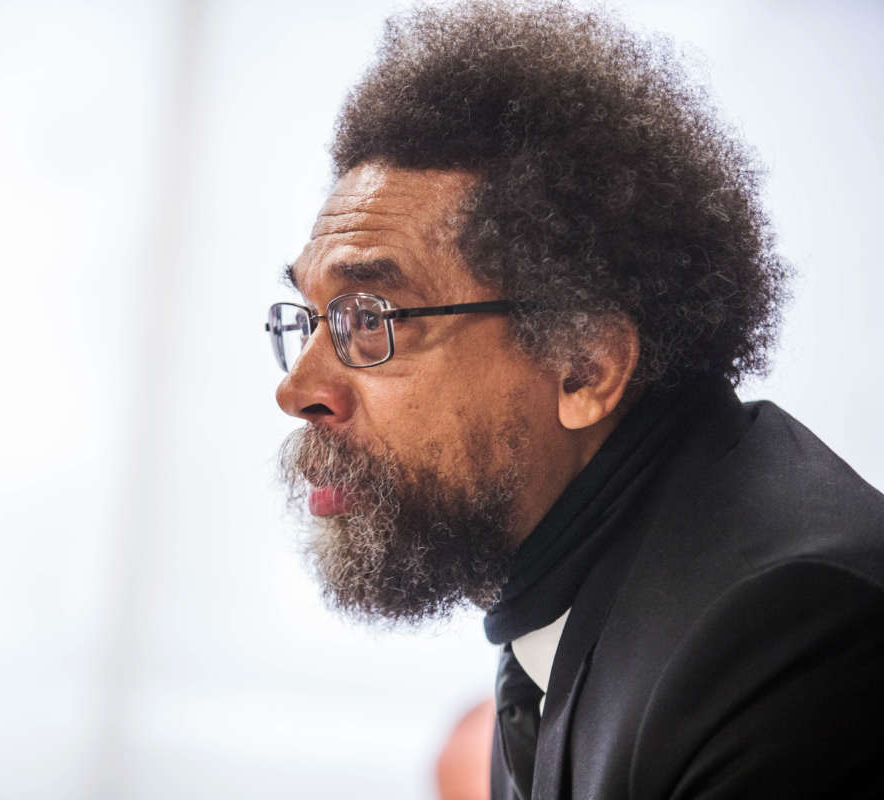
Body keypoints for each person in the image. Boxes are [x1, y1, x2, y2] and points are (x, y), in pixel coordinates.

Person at [265, 2, 884, 798]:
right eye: (309, 321)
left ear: (584, 368)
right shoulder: (574, 582)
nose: (298, 389)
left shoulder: (793, 640)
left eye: (370, 318)